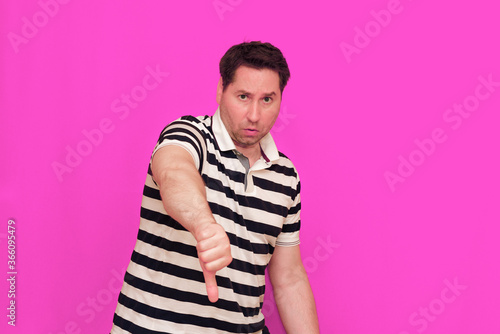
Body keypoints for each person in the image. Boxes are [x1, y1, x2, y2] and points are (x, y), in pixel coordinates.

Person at [111, 41, 320, 333]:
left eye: (267, 100)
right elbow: (174, 172)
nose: (255, 115)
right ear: (221, 89)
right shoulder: (188, 134)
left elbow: (289, 278)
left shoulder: (286, 176)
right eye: (243, 96)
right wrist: (204, 226)